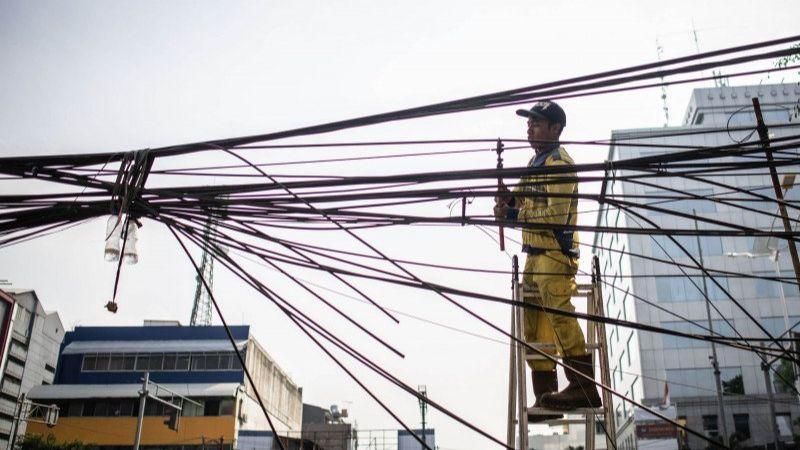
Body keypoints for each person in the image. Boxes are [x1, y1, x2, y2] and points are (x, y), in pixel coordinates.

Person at [494, 101, 601, 415]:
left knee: (560, 315)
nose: (530, 128)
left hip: (555, 255)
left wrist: (513, 212)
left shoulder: (559, 164)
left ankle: (583, 387)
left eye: (537, 123)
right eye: (529, 124)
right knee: (535, 325)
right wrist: (507, 202)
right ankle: (546, 396)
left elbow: (553, 215)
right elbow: (521, 200)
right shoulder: (535, 162)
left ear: (556, 129)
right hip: (534, 256)